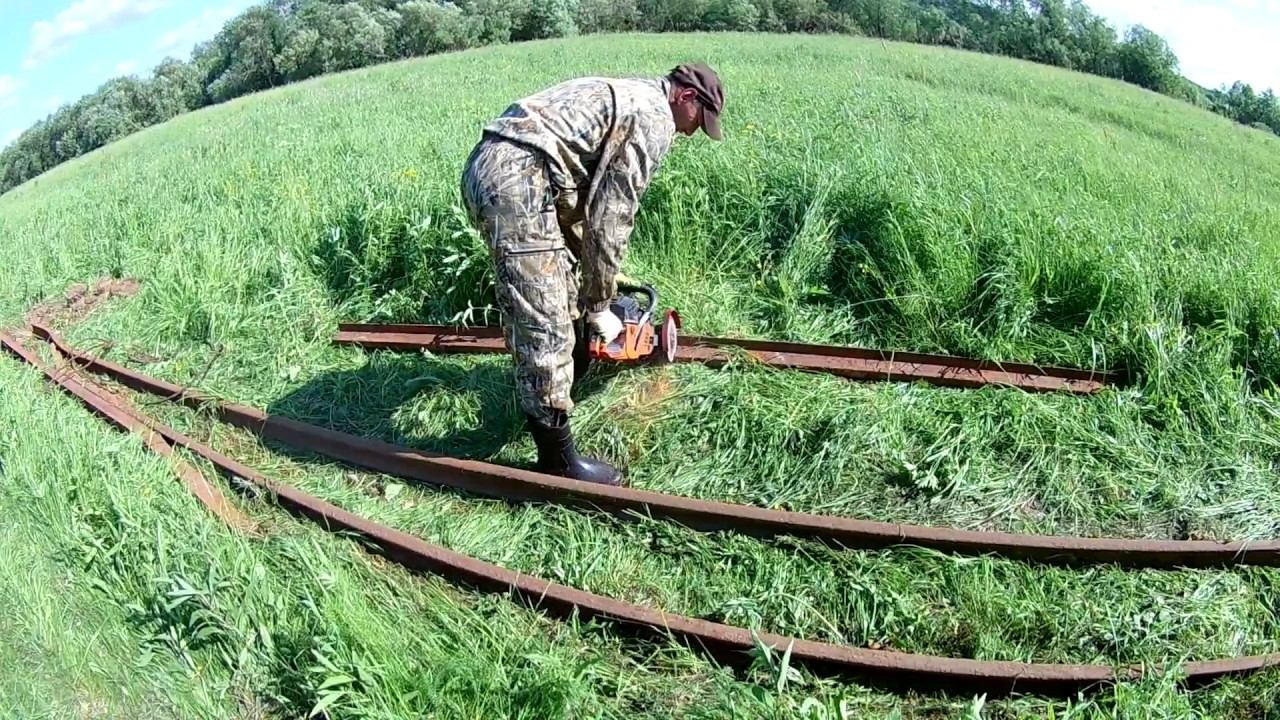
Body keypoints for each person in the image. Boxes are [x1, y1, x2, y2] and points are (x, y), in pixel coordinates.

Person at [459, 62, 725, 486]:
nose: (694, 131)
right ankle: (557, 462)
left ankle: (559, 387)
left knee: (559, 294)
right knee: (544, 319)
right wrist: (600, 303)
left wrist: (598, 282)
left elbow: (584, 202)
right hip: (518, 179)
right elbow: (612, 216)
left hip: (505, 168)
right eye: (700, 119)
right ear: (687, 97)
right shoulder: (656, 116)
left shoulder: (636, 94)